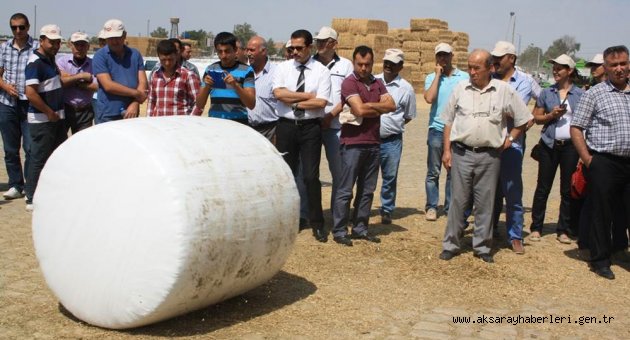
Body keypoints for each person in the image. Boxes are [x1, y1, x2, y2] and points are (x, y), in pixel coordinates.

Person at [439, 49, 532, 263]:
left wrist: (509, 140)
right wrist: (447, 150)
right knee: (458, 202)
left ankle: (481, 247)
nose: (472, 72)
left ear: (490, 68)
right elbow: (448, 121)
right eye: (469, 67)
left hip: (490, 156)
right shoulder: (460, 88)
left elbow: (523, 119)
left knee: (485, 203)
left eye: (476, 68)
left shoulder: (503, 91)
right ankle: (451, 244)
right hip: (462, 153)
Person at [571, 45, 630, 280]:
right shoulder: (595, 94)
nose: (619, 69)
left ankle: (620, 249)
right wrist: (588, 160)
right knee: (601, 212)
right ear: (605, 68)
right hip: (604, 161)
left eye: (623, 63)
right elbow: (577, 127)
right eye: (613, 65)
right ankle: (600, 260)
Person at [331, 45, 396, 246]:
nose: (364, 68)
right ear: (354, 62)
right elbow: (358, 110)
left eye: (367, 64)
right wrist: (377, 107)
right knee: (345, 190)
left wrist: (369, 107)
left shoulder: (377, 83)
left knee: (367, 190)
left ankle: (360, 228)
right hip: (352, 143)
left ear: (372, 63)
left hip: (373, 142)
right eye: (360, 64)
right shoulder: (349, 83)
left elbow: (392, 106)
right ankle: (340, 230)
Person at [272, 29, 331, 242]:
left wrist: (292, 100)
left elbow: (322, 102)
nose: (295, 52)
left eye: (299, 48)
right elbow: (278, 94)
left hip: (310, 128)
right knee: (286, 175)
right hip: (286, 126)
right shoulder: (283, 68)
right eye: (292, 48)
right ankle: (289, 220)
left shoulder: (321, 71)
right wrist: (306, 96)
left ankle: (317, 223)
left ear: (310, 47)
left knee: (310, 176)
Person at [490, 40, 541, 253]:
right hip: (490, 143)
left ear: (511, 58)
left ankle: (515, 235)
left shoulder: (527, 81)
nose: (495, 62)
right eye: (494, 58)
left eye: (499, 58)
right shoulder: (489, 79)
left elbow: (544, 98)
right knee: (489, 191)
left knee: (512, 190)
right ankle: (489, 230)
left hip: (513, 144)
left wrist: (532, 117)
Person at [530, 54, 584, 245]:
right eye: (554, 67)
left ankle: (563, 230)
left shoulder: (580, 95)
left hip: (570, 147)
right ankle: (536, 228)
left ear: (569, 71)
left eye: (560, 68)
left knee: (567, 190)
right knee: (543, 187)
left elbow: (584, 123)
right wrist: (551, 115)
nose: (555, 71)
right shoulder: (547, 92)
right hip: (549, 145)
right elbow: (536, 117)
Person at [423, 43, 469, 221]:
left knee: (453, 171)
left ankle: (450, 207)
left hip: (458, 130)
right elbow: (429, 98)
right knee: (433, 171)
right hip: (436, 129)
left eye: (446, 55)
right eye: (439, 56)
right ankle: (432, 206)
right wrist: (437, 76)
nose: (442, 59)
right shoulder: (431, 77)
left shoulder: (463, 77)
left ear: (452, 56)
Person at [23, 24, 67, 212]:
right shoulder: (36, 62)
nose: (55, 45)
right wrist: (49, 112)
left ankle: (47, 193)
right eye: (51, 42)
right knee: (38, 158)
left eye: (57, 42)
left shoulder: (49, 60)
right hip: (43, 120)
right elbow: (31, 93)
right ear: (41, 40)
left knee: (53, 157)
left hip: (54, 119)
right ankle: (31, 196)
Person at [313, 26, 353, 218]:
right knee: (308, 174)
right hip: (310, 124)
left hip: (336, 127)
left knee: (339, 174)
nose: (319, 44)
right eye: (318, 41)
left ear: (334, 44)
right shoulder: (309, 63)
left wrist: (330, 116)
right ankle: (309, 215)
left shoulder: (346, 65)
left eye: (324, 41)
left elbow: (348, 95)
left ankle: (338, 217)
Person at [375, 48, 416, 224]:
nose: (388, 66)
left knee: (389, 177)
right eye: (386, 62)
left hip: (392, 140)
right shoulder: (373, 81)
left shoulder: (406, 89)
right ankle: (362, 207)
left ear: (400, 66)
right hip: (370, 138)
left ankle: (386, 209)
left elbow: (408, 115)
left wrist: (392, 125)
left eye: (392, 63)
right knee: (366, 177)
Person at [0, 13, 38, 200]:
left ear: (28, 27)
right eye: (14, 27)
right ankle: (16, 184)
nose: (18, 31)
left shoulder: (37, 47)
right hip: (7, 103)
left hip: (30, 103)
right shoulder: (4, 48)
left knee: (30, 148)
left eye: (21, 27)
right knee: (10, 148)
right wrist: (6, 86)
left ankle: (30, 186)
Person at [92, 19, 147, 124]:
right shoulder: (100, 56)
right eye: (110, 38)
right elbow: (108, 85)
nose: (114, 41)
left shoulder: (135, 54)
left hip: (131, 112)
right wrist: (136, 94)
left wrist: (135, 103)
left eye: (117, 37)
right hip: (108, 114)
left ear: (124, 35)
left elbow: (143, 82)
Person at [196, 32, 255, 124]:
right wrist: (207, 86)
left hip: (239, 125)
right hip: (215, 124)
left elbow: (251, 104)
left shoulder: (247, 70)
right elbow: (199, 104)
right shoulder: (210, 69)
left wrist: (235, 85)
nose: (223, 55)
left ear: (235, 50)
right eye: (220, 51)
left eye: (227, 51)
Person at [56, 32, 98, 134]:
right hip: (65, 108)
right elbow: (60, 82)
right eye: (76, 45)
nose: (79, 48)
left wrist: (71, 79)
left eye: (83, 45)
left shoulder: (94, 64)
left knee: (82, 145)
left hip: (85, 111)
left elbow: (96, 86)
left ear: (88, 47)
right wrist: (81, 76)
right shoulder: (62, 62)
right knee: (60, 143)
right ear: (71, 46)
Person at [146, 39, 200, 116]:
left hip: (181, 126)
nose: (167, 63)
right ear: (158, 57)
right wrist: (149, 120)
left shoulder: (188, 75)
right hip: (158, 125)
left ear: (176, 55)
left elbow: (198, 103)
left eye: (170, 59)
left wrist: (190, 121)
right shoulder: (155, 76)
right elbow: (151, 101)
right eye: (163, 60)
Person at [246, 36, 278, 142]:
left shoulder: (277, 73)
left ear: (263, 51)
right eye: (247, 50)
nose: (248, 53)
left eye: (252, 50)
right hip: (247, 130)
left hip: (270, 131)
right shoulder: (244, 72)